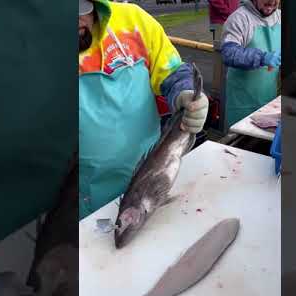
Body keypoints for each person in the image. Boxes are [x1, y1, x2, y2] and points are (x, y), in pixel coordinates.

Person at [78, 0, 209, 220]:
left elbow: (172, 71)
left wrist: (184, 92)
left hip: (154, 175)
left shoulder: (134, 21)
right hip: (84, 200)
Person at [221, 0, 281, 127]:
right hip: (241, 105)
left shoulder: (280, 17)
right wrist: (262, 57)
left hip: (269, 102)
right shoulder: (239, 18)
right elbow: (229, 53)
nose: (272, 2)